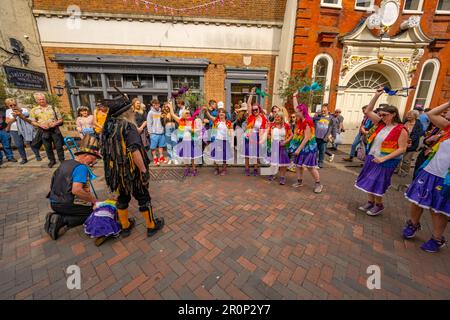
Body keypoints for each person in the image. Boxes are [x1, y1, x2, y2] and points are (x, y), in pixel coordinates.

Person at [101, 92, 164, 238]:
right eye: (130, 109)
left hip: (117, 172)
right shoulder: (128, 127)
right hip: (131, 171)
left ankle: (125, 226)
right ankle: (151, 226)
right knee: (143, 196)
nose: (132, 111)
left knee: (122, 197)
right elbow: (135, 151)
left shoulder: (108, 126)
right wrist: (143, 171)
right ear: (125, 112)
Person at [403, 101, 450, 253]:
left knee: (437, 209)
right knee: (417, 201)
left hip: (445, 178)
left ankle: (437, 239)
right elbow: (431, 114)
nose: (447, 113)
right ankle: (413, 224)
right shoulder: (448, 128)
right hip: (430, 171)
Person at [355, 88, 408, 216]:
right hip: (372, 156)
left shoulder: (401, 129)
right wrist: (376, 95)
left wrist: (384, 159)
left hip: (386, 161)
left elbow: (402, 148)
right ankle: (370, 201)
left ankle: (379, 205)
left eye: (385, 115)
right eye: (381, 114)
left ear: (394, 114)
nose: (382, 117)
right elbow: (368, 111)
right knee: (369, 179)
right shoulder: (380, 124)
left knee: (377, 182)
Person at [44, 135, 101, 240]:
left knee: (85, 206)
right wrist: (94, 201)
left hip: (54, 202)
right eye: (93, 158)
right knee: (94, 212)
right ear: (86, 155)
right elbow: (77, 190)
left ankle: (57, 215)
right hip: (65, 203)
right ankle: (62, 219)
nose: (93, 162)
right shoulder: (81, 168)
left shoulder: (65, 163)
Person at [290, 93, 323, 193]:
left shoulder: (308, 121)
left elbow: (307, 137)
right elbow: (296, 106)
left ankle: (318, 184)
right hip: (301, 145)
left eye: (297, 112)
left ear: (302, 111)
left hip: (308, 147)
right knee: (298, 165)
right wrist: (294, 96)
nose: (295, 113)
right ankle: (299, 181)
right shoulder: (301, 119)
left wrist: (298, 150)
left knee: (310, 167)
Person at [29, 92, 65, 168]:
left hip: (54, 130)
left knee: (59, 146)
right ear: (37, 101)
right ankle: (52, 161)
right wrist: (40, 125)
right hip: (43, 131)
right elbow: (32, 121)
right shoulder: (34, 110)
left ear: (45, 99)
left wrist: (55, 123)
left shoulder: (53, 108)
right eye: (39, 99)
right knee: (48, 147)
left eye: (43, 99)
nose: (42, 101)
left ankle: (62, 160)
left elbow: (61, 119)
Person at [413, 109, 450, 179]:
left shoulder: (446, 127)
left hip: (437, 162)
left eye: (445, 112)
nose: (444, 114)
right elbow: (426, 140)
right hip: (425, 153)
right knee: (417, 171)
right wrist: (428, 140)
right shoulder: (437, 127)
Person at [168, 101, 203, 176]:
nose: (188, 114)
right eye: (186, 113)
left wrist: (192, 130)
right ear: (183, 114)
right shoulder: (181, 121)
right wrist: (170, 106)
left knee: (193, 156)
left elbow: (199, 130)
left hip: (192, 141)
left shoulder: (194, 121)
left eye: (189, 113)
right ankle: (187, 168)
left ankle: (194, 168)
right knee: (185, 156)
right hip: (183, 142)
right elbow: (172, 114)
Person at [241, 87, 268, 176]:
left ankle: (255, 169)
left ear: (259, 109)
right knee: (247, 153)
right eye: (253, 110)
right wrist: (252, 92)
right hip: (249, 136)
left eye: (256, 109)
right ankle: (247, 168)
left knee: (256, 154)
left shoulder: (263, 118)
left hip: (257, 137)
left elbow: (264, 129)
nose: (254, 111)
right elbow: (249, 103)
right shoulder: (250, 117)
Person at [5, 98, 40, 164]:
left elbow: (27, 117)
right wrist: (14, 117)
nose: (13, 106)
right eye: (10, 105)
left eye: (14, 104)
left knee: (31, 142)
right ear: (8, 105)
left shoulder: (23, 109)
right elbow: (7, 121)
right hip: (14, 129)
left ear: (16, 104)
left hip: (25, 129)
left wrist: (20, 113)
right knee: (19, 145)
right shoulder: (8, 111)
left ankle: (37, 155)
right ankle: (24, 158)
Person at [204, 106, 233, 175]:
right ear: (218, 114)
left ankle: (224, 170)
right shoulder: (216, 120)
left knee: (224, 157)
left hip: (225, 141)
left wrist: (231, 142)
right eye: (220, 112)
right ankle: (216, 169)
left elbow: (231, 132)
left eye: (223, 112)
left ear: (225, 114)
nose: (221, 114)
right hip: (217, 140)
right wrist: (206, 111)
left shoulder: (228, 123)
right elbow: (209, 116)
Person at [267, 111, 293, 185]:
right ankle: (272, 173)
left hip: (282, 145)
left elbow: (291, 135)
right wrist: (270, 139)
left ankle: (282, 177)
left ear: (281, 118)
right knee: (273, 161)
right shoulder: (272, 125)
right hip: (274, 145)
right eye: (275, 116)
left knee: (283, 162)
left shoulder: (286, 125)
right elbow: (268, 134)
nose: (276, 118)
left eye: (278, 117)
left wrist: (286, 141)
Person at [398, 110, 424, 177]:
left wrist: (409, 140)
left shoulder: (418, 124)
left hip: (411, 145)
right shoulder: (405, 122)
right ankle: (397, 169)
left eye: (410, 115)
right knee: (398, 157)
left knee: (406, 159)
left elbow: (419, 134)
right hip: (401, 143)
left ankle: (404, 172)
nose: (408, 116)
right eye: (408, 114)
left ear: (415, 116)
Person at [147, 99, 166, 166]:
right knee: (153, 147)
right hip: (154, 133)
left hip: (161, 132)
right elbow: (149, 123)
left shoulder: (161, 111)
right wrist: (150, 133)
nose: (156, 105)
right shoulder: (150, 112)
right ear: (152, 105)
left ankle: (161, 157)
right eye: (154, 104)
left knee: (161, 146)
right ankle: (155, 158)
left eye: (157, 104)